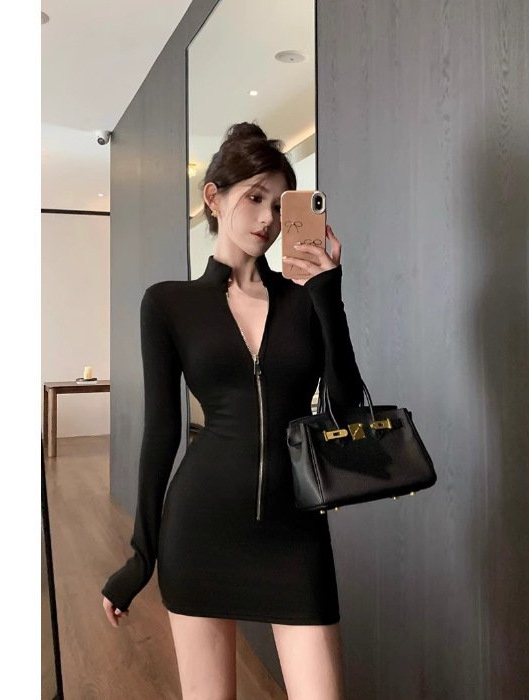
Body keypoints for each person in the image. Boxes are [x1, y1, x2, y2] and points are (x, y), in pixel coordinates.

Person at [101, 122, 364, 699]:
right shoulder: (169, 303)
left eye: (280, 205)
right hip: (200, 533)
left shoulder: (304, 300)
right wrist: (141, 557)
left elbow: (345, 410)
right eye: (255, 197)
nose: (268, 218)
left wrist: (328, 292)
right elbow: (161, 435)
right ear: (213, 197)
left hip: (295, 535)